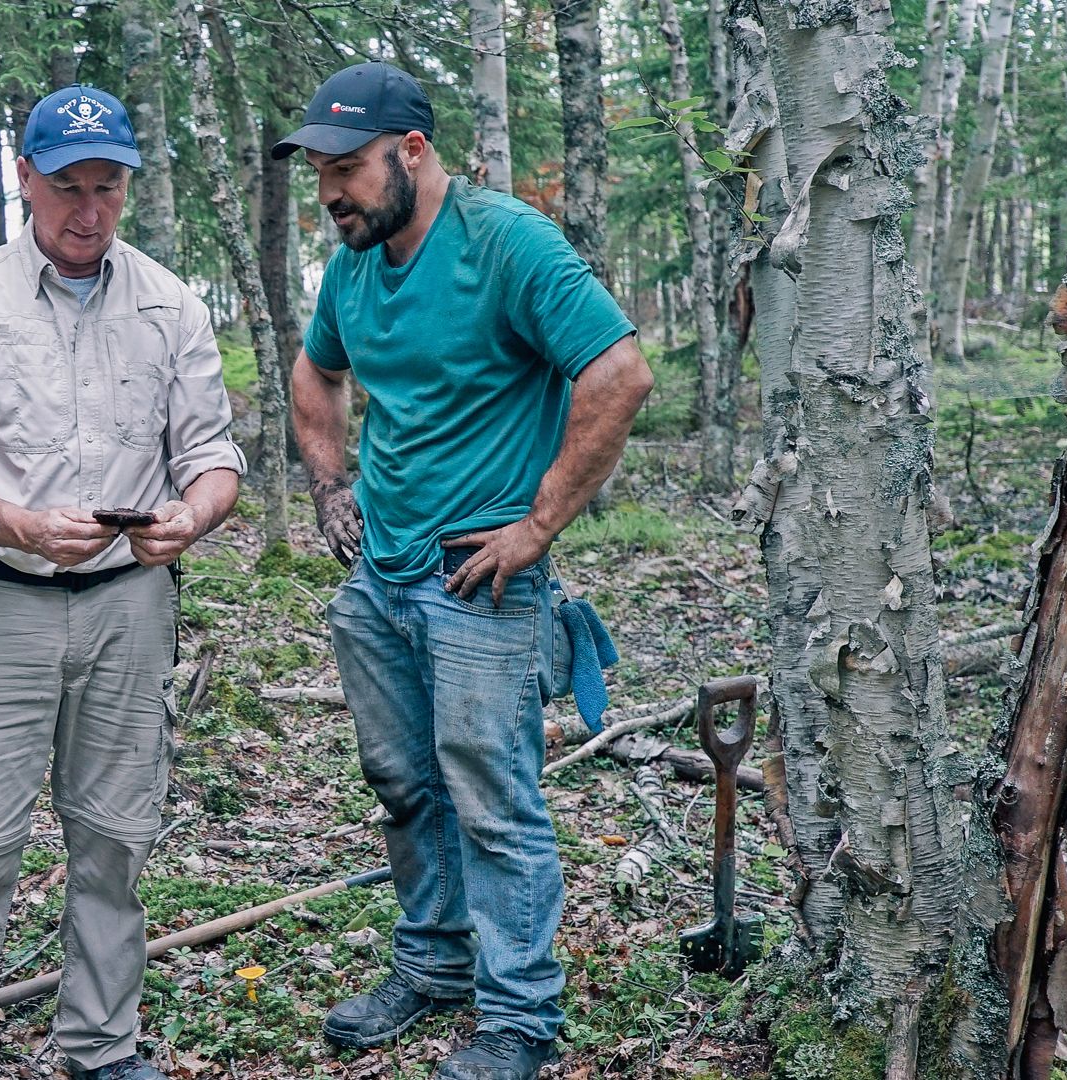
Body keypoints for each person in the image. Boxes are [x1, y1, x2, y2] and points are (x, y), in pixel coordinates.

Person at [274, 62, 654, 1080]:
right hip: (382, 579)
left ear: (410, 152)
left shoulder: (506, 242)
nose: (329, 194)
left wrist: (535, 529)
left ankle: (521, 1018)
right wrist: (329, 484)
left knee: (492, 800)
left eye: (345, 168)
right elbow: (316, 369)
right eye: (318, 172)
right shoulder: (354, 260)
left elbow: (619, 374)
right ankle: (435, 964)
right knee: (404, 785)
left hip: (481, 582)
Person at [0, 84, 245, 1080]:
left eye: (110, 188)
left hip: (130, 606)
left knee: (117, 840)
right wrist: (23, 525)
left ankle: (100, 1046)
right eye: (70, 188)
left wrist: (193, 514)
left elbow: (214, 456)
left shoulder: (169, 304)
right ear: (25, 179)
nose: (89, 212)